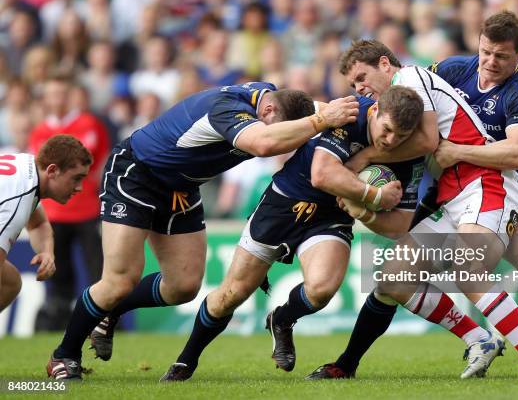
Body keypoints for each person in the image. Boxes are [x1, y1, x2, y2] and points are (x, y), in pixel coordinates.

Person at [316, 11, 518, 379]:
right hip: (452, 193)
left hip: (487, 184)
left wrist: (365, 157)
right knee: (393, 279)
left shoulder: (420, 78)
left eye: (362, 78)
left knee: (475, 264)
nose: (360, 89)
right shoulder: (444, 71)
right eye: (485, 51)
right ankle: (479, 338)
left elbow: (432, 141)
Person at [46, 81, 359, 380]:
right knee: (119, 280)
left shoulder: (272, 102)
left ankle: (111, 312)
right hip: (137, 174)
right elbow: (264, 143)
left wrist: (349, 108)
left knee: (183, 286)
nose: (287, 146)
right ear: (268, 115)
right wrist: (320, 119)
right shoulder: (226, 109)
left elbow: (311, 110)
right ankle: (65, 353)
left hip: (180, 187)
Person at [159, 85, 428, 382]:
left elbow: (399, 226)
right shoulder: (352, 115)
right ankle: (187, 360)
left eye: (401, 136)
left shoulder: (410, 155)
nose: (391, 141)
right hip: (284, 202)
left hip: (331, 216)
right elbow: (322, 174)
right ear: (375, 112)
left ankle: (282, 318)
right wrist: (374, 197)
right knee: (231, 295)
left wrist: (363, 212)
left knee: (322, 288)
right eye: (387, 130)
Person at [29, 76, 110, 331]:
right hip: (54, 212)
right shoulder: (40, 129)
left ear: (71, 95)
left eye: (62, 93)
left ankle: (103, 320)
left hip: (88, 209)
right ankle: (59, 319)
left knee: (97, 267)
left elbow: (100, 162)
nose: (57, 99)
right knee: (60, 271)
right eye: (52, 94)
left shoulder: (89, 123)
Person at [1, 135, 92, 312]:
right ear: (52, 171)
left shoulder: (27, 168)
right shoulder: (18, 199)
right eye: (76, 178)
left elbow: (38, 224)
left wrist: (46, 252)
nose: (80, 187)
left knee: (9, 283)